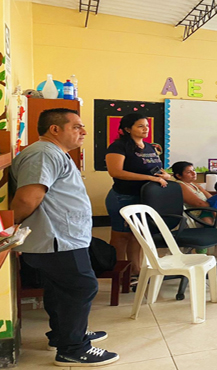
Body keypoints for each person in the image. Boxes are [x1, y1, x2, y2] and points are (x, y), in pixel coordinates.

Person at [10, 108, 119, 366]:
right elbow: (28, 197)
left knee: (61, 289)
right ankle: (73, 347)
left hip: (62, 237)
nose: (83, 131)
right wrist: (9, 225)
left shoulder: (55, 153)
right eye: (76, 126)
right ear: (55, 129)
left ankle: (65, 334)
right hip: (57, 238)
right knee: (81, 286)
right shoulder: (43, 153)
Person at [105, 113, 170, 278]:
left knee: (138, 235)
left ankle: (136, 270)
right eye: (140, 126)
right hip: (123, 197)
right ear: (127, 129)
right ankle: (119, 275)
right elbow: (116, 172)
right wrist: (149, 178)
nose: (145, 129)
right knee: (121, 237)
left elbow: (155, 169)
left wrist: (165, 175)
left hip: (145, 198)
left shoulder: (150, 147)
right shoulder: (118, 146)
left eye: (146, 126)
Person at [171, 162, 217, 267]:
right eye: (188, 172)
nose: (193, 173)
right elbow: (199, 203)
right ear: (178, 175)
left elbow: (211, 198)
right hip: (198, 216)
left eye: (193, 170)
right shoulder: (180, 185)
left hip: (210, 210)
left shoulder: (193, 184)